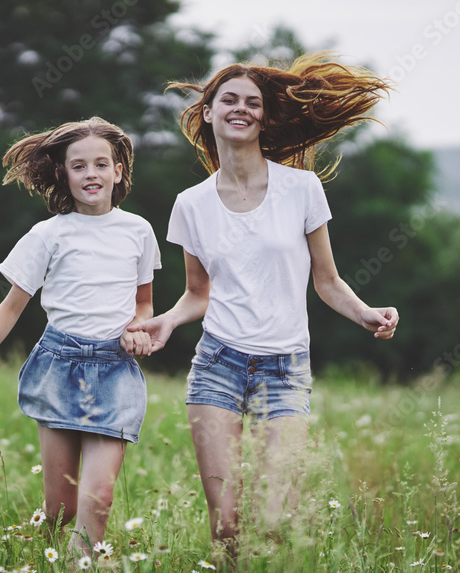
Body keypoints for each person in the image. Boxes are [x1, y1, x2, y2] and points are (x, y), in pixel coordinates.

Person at [129, 52, 399, 552]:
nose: (242, 109)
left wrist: (366, 313)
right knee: (226, 528)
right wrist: (166, 321)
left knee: (277, 516)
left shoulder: (302, 188)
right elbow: (197, 293)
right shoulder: (191, 203)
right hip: (216, 366)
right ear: (207, 112)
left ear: (264, 116)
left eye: (252, 103)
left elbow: (328, 281)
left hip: (285, 367)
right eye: (228, 100)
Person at [0, 117, 160, 556]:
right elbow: (12, 306)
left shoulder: (138, 231)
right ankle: (46, 557)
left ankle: (81, 564)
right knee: (59, 509)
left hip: (115, 370)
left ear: (118, 170)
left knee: (97, 501)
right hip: (59, 366)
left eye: (101, 164)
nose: (91, 174)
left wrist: (138, 329)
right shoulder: (48, 234)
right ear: (63, 173)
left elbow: (144, 302)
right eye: (79, 166)